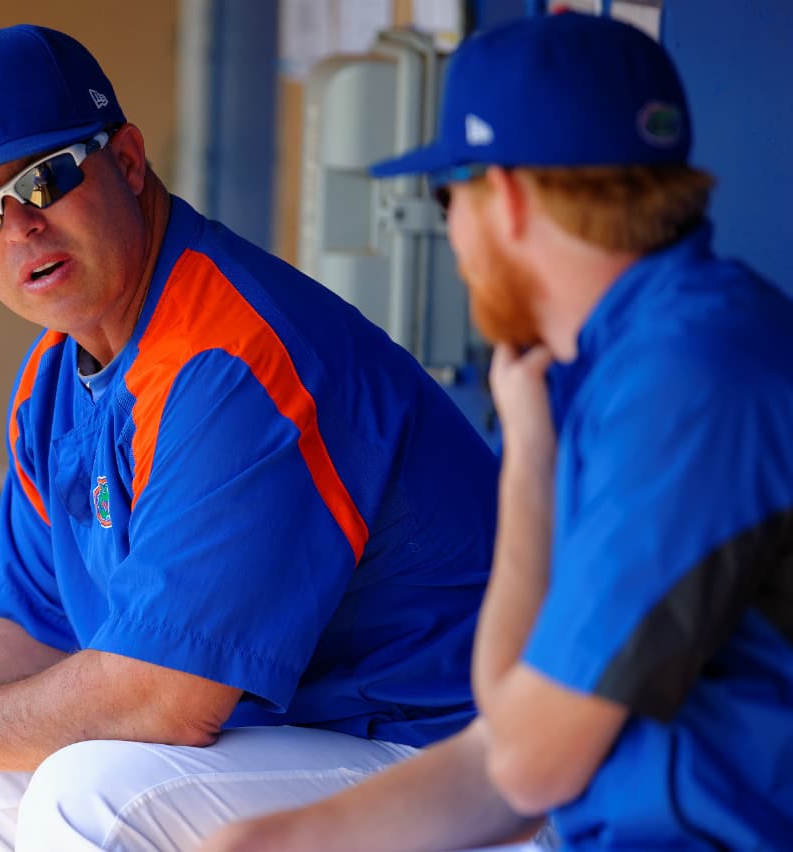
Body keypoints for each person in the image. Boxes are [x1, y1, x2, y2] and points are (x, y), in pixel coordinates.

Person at [0, 23, 500, 850]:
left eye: (45, 181)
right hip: (298, 748)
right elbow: (27, 624)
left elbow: (167, 701)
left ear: (128, 159)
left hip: (461, 765)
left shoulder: (236, 354)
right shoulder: (54, 378)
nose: (19, 229)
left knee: (96, 794)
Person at [204, 11, 793, 851]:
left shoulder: (688, 380)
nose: (452, 233)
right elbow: (504, 752)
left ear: (505, 197)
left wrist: (524, 464)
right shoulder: (633, 357)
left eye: (451, 196)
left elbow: (522, 764)